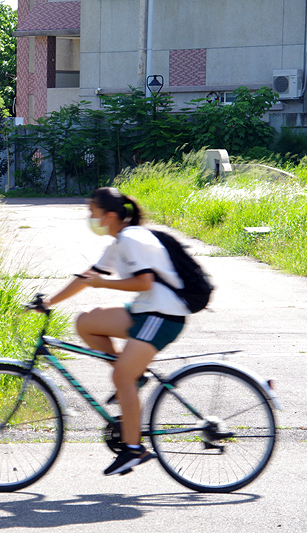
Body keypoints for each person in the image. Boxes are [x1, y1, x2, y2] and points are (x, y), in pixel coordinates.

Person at [39, 187, 190, 476]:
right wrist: (48, 302)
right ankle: (135, 375)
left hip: (163, 314)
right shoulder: (119, 242)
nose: (90, 218)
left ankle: (134, 448)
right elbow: (88, 277)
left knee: (121, 376)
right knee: (86, 322)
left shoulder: (132, 238)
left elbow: (144, 282)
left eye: (92, 212)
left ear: (109, 215)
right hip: (145, 311)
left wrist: (103, 285)